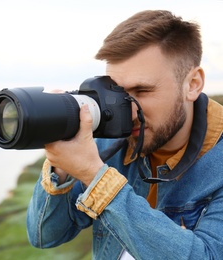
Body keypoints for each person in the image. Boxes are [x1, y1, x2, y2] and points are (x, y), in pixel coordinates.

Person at [26, 10, 223, 259]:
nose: (128, 113)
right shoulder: (109, 144)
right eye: (117, 93)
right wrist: (61, 166)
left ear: (192, 84)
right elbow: (45, 235)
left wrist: (96, 176)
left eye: (142, 91)